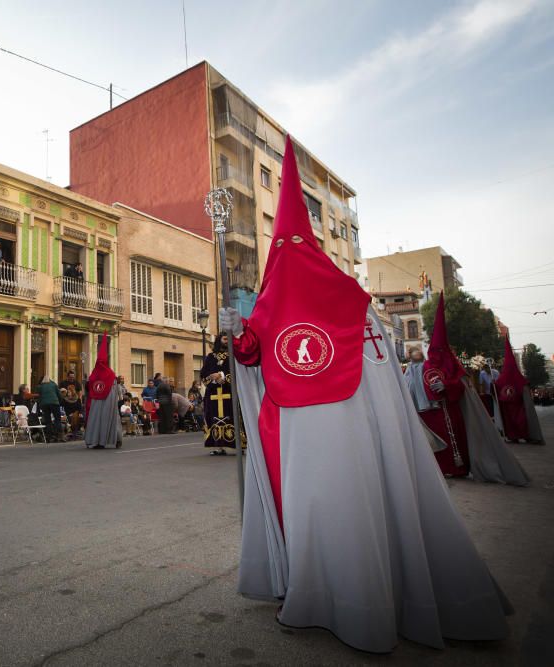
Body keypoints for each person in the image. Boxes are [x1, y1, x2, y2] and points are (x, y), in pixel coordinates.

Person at [220, 135, 512, 653]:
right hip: (345, 433)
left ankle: (319, 598)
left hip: (297, 433)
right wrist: (239, 333)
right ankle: (372, 599)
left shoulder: (275, 297)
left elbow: (250, 354)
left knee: (315, 511)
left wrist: (236, 331)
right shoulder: (358, 303)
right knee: (357, 502)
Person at [413, 295, 528, 485]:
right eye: (432, 351)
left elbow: (462, 384)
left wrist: (447, 386)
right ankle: (446, 468)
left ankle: (461, 467)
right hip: (434, 410)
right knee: (440, 443)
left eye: (439, 351)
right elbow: (424, 383)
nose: (435, 355)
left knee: (461, 440)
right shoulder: (426, 365)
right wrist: (431, 390)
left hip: (454, 409)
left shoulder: (453, 364)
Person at [495, 337, 546, 445]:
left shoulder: (501, 379)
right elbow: (524, 387)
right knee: (522, 420)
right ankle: (527, 436)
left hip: (509, 407)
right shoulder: (519, 378)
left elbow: (496, 387)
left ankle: (514, 437)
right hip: (519, 406)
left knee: (511, 421)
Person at [201, 333, 239, 455]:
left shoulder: (234, 356)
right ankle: (218, 446)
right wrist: (212, 377)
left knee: (233, 417)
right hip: (213, 393)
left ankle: (238, 445)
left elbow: (237, 373)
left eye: (228, 339)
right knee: (213, 418)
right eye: (224, 338)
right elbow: (203, 374)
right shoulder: (210, 357)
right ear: (218, 340)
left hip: (229, 392)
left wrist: (222, 376)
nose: (226, 341)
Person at [83, 334, 123, 449]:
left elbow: (89, 387)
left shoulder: (94, 374)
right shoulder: (111, 374)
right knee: (111, 421)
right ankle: (113, 440)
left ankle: (97, 441)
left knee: (96, 420)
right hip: (106, 403)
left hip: (97, 403)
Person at [36, 375, 62, 441]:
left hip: (44, 404)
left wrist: (40, 404)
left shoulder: (40, 386)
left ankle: (49, 437)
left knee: (48, 421)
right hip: (54, 403)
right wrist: (60, 402)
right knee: (57, 419)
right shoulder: (54, 384)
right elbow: (59, 394)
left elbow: (39, 396)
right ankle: (58, 435)